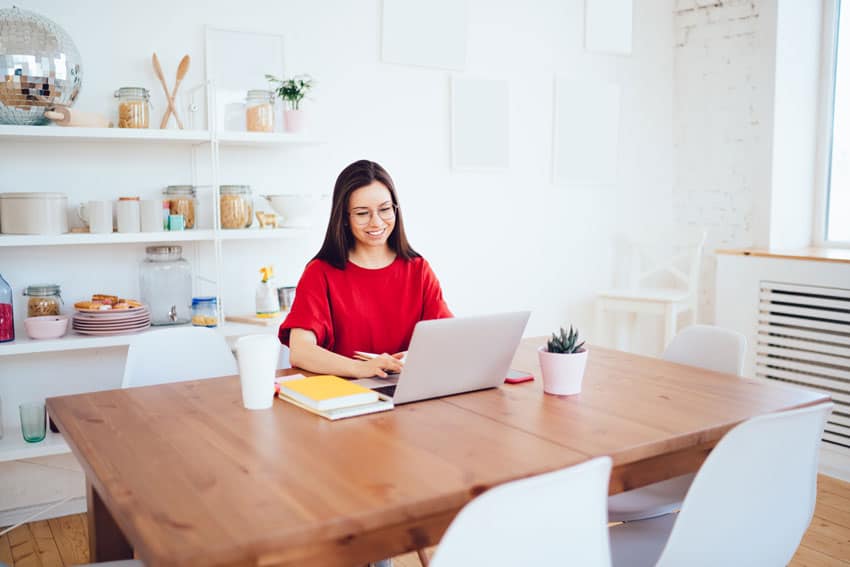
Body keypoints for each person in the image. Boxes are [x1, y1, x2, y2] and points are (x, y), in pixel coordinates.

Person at [279, 159, 453, 378]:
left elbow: (447, 338)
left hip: (409, 391)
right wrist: (360, 369)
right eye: (362, 213)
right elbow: (301, 351)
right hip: (346, 395)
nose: (376, 222)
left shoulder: (418, 270)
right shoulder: (320, 273)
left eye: (385, 209)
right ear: (344, 218)